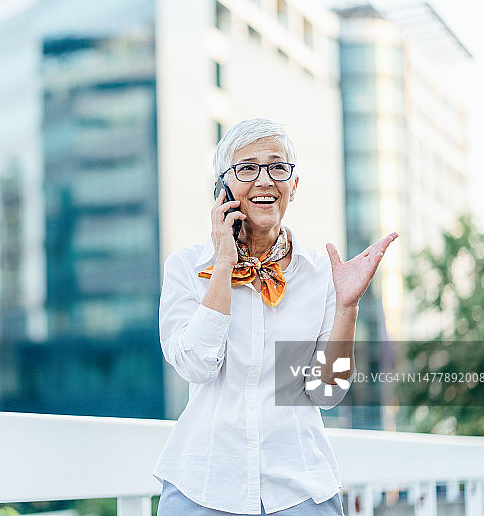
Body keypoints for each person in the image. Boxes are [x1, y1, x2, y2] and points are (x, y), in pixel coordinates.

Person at [153, 118, 398, 515]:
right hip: (204, 485)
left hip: (300, 490)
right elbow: (196, 365)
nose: (264, 180)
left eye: (277, 167)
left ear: (294, 185)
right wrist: (222, 264)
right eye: (247, 168)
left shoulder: (321, 274)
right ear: (222, 189)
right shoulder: (185, 267)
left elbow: (326, 393)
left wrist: (347, 306)